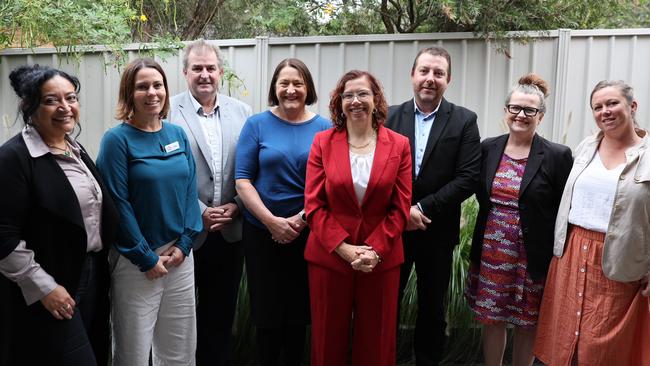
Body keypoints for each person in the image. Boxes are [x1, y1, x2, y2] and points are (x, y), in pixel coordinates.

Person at [0, 65, 118, 365]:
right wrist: (44, 288)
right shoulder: (14, 158)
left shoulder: (73, 150)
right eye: (52, 100)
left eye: (71, 97)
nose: (65, 107)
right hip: (50, 282)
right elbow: (3, 234)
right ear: (30, 106)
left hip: (90, 274)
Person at [534, 80, 650, 365]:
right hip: (572, 254)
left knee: (607, 349)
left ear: (632, 106)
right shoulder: (586, 147)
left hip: (620, 261)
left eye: (612, 103)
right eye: (597, 107)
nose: (605, 112)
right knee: (565, 342)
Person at [96, 58, 202, 366]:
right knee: (133, 351)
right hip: (137, 261)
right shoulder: (117, 140)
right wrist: (146, 257)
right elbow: (117, 203)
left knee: (179, 350)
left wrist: (184, 245)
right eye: (142, 87)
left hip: (180, 259)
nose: (152, 92)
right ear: (129, 93)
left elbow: (189, 194)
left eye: (158, 85)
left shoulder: (177, 135)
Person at [304, 70, 412, 366]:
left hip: (382, 259)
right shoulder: (322, 143)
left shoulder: (399, 145)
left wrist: (375, 250)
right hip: (329, 257)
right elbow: (314, 205)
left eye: (363, 94)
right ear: (339, 103)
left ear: (376, 100)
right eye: (348, 95)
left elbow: (400, 208)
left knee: (377, 342)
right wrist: (344, 247)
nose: (356, 101)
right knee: (327, 341)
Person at [465, 73, 573, 366]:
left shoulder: (557, 155)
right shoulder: (489, 147)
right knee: (492, 318)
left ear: (541, 116)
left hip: (532, 255)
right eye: (515, 108)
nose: (521, 115)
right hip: (491, 251)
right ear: (506, 110)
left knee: (527, 322)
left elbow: (567, 209)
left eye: (530, 110)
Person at [386, 46, 481, 365]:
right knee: (386, 304)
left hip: (436, 231)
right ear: (412, 75)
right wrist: (403, 212)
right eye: (424, 71)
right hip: (391, 230)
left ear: (448, 79)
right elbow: (375, 171)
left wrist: (421, 209)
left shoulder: (465, 120)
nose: (430, 78)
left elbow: (468, 177)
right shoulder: (387, 116)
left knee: (432, 307)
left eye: (438, 73)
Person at [235, 58, 330, 366]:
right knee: (267, 313)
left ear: (308, 88)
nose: (291, 90)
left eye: (298, 84)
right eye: (284, 83)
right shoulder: (257, 124)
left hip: (308, 232)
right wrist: (272, 222)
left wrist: (301, 219)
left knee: (299, 313)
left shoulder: (324, 128)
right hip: (262, 234)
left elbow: (329, 182)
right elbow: (242, 179)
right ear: (274, 88)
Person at [169, 39, 252, 366]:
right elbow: (167, 175)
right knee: (179, 319)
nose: (204, 75)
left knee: (220, 316)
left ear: (221, 72)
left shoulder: (242, 112)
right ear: (185, 72)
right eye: (197, 68)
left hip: (230, 232)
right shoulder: (167, 110)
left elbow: (250, 168)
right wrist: (200, 211)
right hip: (183, 233)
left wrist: (237, 205)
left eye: (210, 68)